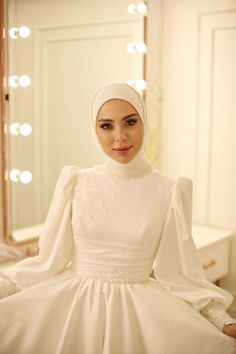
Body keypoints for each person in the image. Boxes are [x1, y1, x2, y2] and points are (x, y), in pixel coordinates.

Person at [0, 82, 236, 354]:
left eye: (130, 122)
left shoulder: (170, 191)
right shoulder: (76, 182)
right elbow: (48, 261)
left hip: (141, 315)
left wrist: (220, 318)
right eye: (107, 126)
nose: (120, 137)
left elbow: (179, 275)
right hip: (72, 309)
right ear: (94, 128)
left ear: (144, 122)